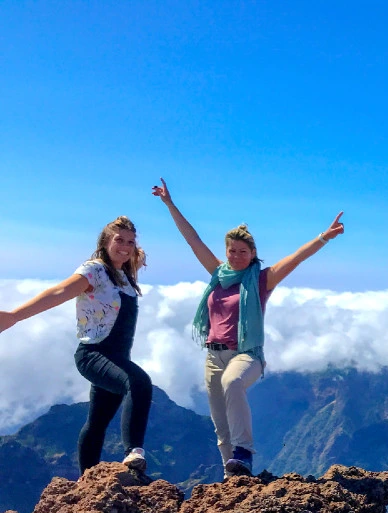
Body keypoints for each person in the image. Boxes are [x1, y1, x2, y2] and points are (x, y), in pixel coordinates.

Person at [152, 178, 345, 478]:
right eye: (232, 250)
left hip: (247, 355)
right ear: (226, 252)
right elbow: (192, 240)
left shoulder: (262, 280)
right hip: (213, 357)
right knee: (221, 427)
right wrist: (169, 204)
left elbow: (296, 258)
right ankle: (234, 479)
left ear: (253, 253)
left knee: (233, 382)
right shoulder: (217, 274)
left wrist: (324, 237)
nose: (237, 255)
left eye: (243, 251)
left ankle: (244, 453)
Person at [0, 217, 153, 474]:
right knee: (138, 383)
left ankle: (87, 481)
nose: (125, 247)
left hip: (116, 357)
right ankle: (133, 451)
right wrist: (15, 316)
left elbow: (134, 258)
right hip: (94, 354)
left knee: (97, 422)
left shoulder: (125, 277)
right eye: (119, 240)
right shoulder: (94, 270)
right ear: (105, 242)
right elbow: (59, 292)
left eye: (130, 242)